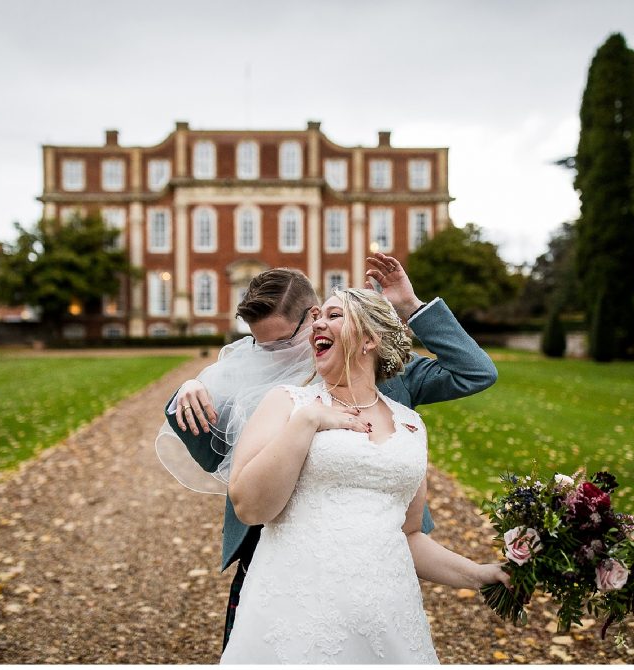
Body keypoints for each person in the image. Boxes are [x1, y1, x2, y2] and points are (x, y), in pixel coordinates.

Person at [158, 253, 498, 649]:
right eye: (259, 343)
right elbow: (225, 462)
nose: (272, 353)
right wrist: (190, 390)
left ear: (312, 315)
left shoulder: (396, 385)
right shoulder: (272, 389)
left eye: (284, 340)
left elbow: (477, 372)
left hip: (382, 572)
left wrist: (410, 308)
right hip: (277, 557)